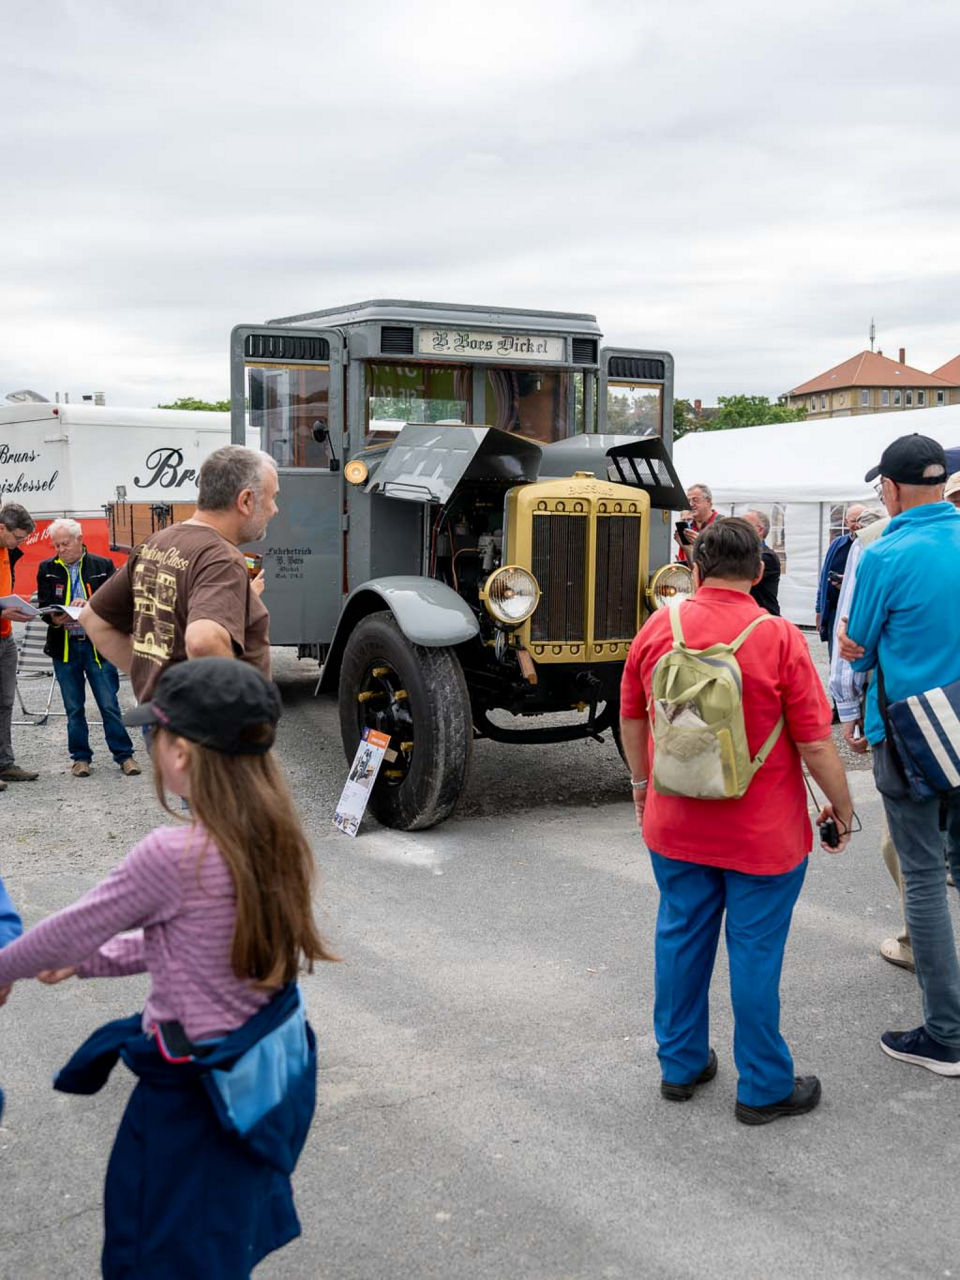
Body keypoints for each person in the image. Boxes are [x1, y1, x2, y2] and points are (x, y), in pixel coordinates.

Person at [0, 657, 336, 1276]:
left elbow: (69, 929)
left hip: (189, 1100)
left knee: (156, 1247)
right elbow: (188, 947)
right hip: (252, 1086)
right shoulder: (271, 838)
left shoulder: (172, 854)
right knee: (218, 1243)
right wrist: (87, 966)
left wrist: (8, 966)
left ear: (181, 754)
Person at [620, 517, 854, 1124]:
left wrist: (642, 788)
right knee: (754, 951)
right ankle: (764, 1085)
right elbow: (815, 742)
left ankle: (679, 1063)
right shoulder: (777, 636)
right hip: (762, 830)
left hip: (675, 820)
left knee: (679, 935)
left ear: (695, 569)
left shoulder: (657, 626)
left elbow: (634, 717)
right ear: (759, 571)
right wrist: (843, 810)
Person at [841, 434, 960, 1076]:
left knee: (922, 878)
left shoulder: (886, 551)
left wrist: (853, 716)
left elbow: (856, 644)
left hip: (915, 734)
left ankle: (947, 1034)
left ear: (888, 490)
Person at [80, 445, 278, 703]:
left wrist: (156, 682)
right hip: (208, 735)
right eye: (272, 498)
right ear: (246, 501)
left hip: (163, 721)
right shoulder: (221, 558)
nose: (275, 509)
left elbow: (93, 619)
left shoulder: (156, 542)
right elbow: (202, 640)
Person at [36, 519, 141, 778]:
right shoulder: (47, 568)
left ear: (80, 539)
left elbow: (119, 601)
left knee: (109, 703)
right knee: (73, 707)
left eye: (65, 544)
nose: (60, 549)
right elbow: (44, 606)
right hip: (65, 647)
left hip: (99, 647)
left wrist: (92, 604)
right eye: (56, 545)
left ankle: (124, 756)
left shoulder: (102, 565)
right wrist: (54, 618)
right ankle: (80, 758)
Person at [0, 503, 41, 789]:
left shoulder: (7, 551)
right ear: (2, 528)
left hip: (5, 637)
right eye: (18, 537)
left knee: (5, 703)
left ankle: (4, 763)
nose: (21, 542)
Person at [815, 504, 865, 657]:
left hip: (857, 611)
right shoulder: (837, 544)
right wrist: (819, 609)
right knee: (835, 654)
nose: (856, 524)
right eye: (853, 520)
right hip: (835, 609)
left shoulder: (869, 544)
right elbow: (824, 578)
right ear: (845, 521)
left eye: (860, 520)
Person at [742, 509, 780, 615]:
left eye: (744, 525)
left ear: (759, 530)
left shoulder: (768, 557)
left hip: (764, 617)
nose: (739, 529)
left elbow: (737, 571)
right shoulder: (746, 553)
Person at [675, 483, 718, 562]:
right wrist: (685, 547)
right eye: (688, 501)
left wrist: (701, 545)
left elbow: (726, 561)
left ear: (708, 501)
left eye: (695, 500)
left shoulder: (723, 525)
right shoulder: (688, 528)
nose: (690, 504)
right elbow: (691, 565)